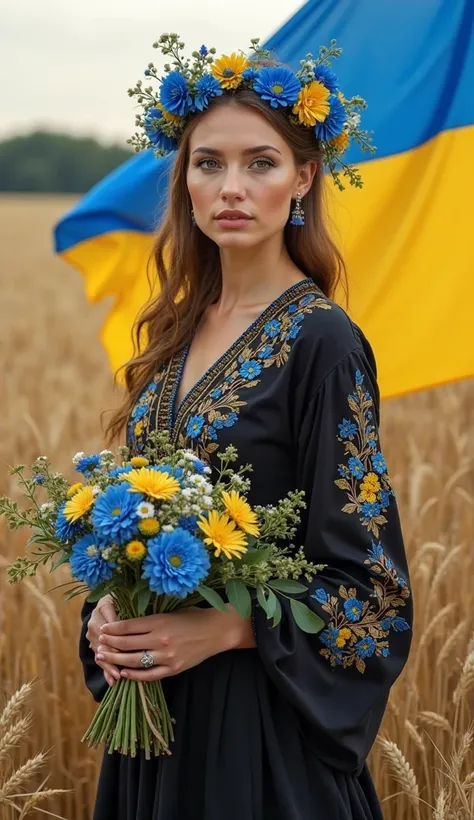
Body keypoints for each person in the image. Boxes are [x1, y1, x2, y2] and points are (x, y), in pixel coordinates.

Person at [79, 36, 412, 820]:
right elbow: (137, 517)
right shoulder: (172, 332)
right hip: (154, 734)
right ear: (184, 180)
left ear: (303, 178)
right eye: (208, 163)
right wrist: (108, 606)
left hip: (262, 748)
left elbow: (373, 594)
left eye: (260, 163)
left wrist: (233, 629)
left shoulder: (322, 343)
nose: (231, 187)